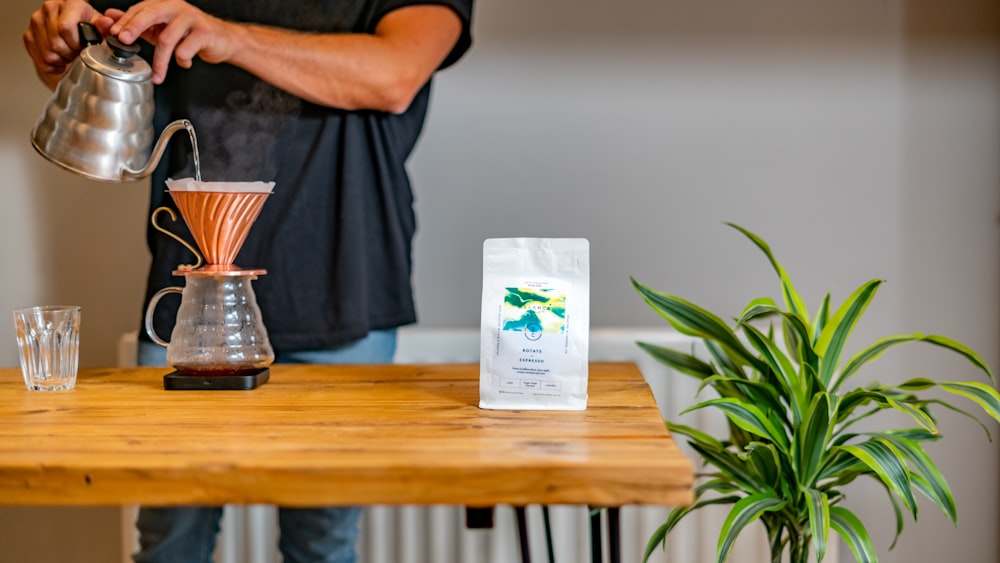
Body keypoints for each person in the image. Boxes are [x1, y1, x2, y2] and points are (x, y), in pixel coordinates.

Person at [23, 1, 473, 562]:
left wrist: (229, 38)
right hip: (185, 305)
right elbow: (110, 70)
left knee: (322, 546)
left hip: (341, 286)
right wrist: (67, 52)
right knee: (170, 543)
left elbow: (395, 75)